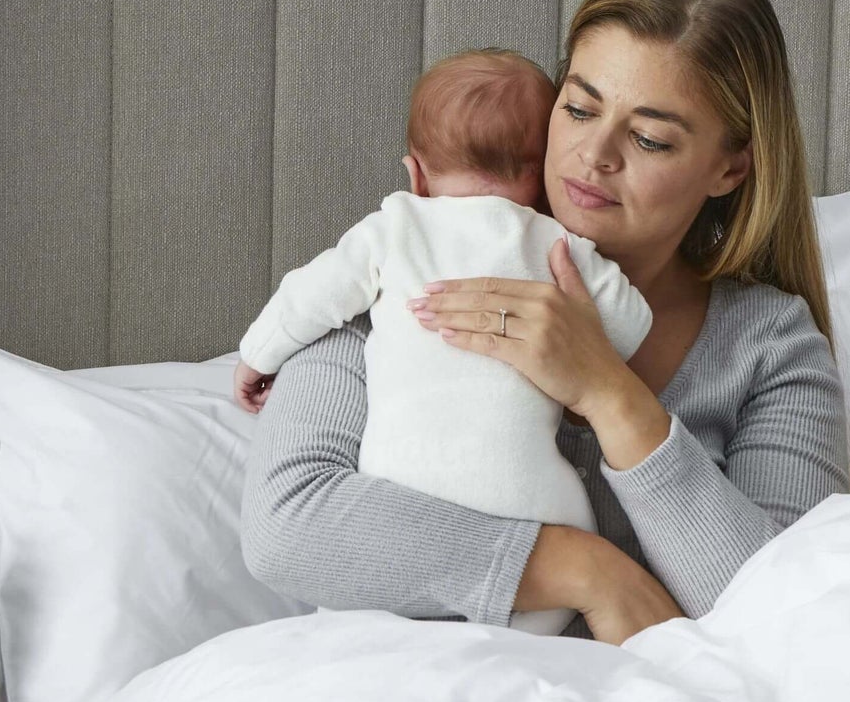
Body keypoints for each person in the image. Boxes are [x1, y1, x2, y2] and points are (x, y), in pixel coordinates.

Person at [240, 0, 849, 646]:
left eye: (649, 137)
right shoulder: (399, 273)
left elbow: (787, 615)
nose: (593, 155)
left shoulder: (769, 344)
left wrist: (609, 394)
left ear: (730, 165)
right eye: (580, 107)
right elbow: (285, 527)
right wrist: (587, 570)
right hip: (408, 701)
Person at [233, 49, 652, 635]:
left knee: (360, 629)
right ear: (540, 179)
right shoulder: (555, 243)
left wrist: (258, 355)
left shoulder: (395, 227)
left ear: (416, 174)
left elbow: (311, 296)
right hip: (544, 525)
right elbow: (632, 324)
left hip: (396, 519)